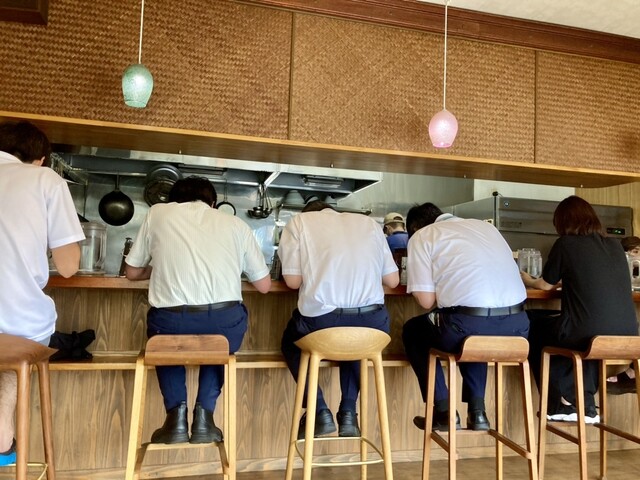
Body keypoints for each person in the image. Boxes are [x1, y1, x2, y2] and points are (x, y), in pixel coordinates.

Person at [125, 176, 271, 444]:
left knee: (166, 341)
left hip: (169, 325)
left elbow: (132, 272)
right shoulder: (236, 224)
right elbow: (264, 286)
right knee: (219, 342)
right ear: (213, 204)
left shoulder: (157, 213)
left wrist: (160, 267)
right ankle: (205, 417)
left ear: (172, 202)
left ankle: (175, 419)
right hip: (224, 325)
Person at [402, 202, 529, 432]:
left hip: (468, 327)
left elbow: (426, 301)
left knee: (414, 330)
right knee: (473, 331)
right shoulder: (487, 228)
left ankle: (443, 411)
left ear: (414, 228)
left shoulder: (422, 236)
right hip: (519, 328)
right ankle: (477, 412)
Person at [0, 120, 83, 466]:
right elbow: (69, 266)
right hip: (19, 327)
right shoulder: (46, 180)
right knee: (16, 349)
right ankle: (3, 435)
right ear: (40, 159)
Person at [279, 200, 399, 438]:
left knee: (290, 342)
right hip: (374, 324)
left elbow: (292, 281)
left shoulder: (300, 222)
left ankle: (318, 411)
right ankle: (348, 413)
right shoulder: (369, 224)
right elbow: (393, 281)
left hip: (323, 323)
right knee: (355, 337)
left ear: (310, 213)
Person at [522, 196, 637, 422]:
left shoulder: (566, 244)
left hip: (585, 332)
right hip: (629, 334)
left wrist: (527, 279)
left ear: (563, 222)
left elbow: (545, 285)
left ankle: (563, 403)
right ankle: (584, 403)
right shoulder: (615, 246)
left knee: (532, 324)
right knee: (572, 328)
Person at [605, 235, 640, 394]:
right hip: (609, 330)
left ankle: (633, 372)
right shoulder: (612, 271)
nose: (638, 256)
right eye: (635, 251)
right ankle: (633, 372)